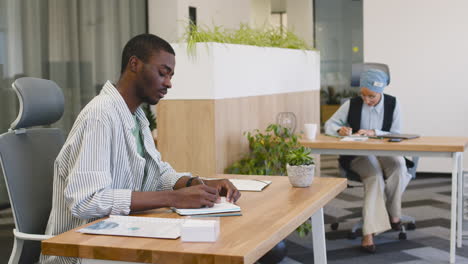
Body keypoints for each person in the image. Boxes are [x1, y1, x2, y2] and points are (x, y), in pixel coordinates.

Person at [41, 34, 240, 264]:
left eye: (171, 75)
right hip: (83, 252)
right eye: (162, 72)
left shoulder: (136, 116)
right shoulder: (100, 116)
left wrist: (196, 183)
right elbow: (87, 200)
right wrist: (173, 198)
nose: (168, 83)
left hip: (117, 240)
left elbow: (157, 174)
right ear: (134, 64)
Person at [324, 69, 411, 253]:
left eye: (370, 96)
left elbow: (397, 133)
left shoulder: (393, 104)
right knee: (375, 177)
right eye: (363, 95)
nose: (366, 100)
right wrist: (339, 130)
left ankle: (394, 214)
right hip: (359, 154)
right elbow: (330, 124)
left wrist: (375, 133)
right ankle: (368, 234)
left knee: (399, 166)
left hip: (386, 151)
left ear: (380, 91)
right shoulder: (351, 104)